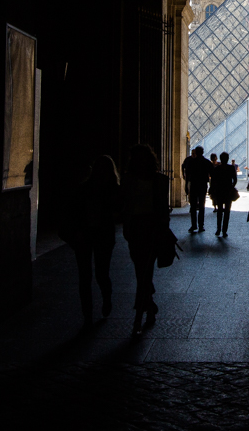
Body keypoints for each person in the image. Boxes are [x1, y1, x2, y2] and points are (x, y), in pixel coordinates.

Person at [63, 155, 120, 326]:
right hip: (100, 235)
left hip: (86, 235)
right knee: (99, 274)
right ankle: (102, 300)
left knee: (86, 276)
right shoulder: (112, 190)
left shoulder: (85, 189)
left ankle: (88, 313)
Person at [120, 143, 171, 335]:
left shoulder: (135, 180)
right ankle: (148, 304)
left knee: (143, 271)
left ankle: (139, 316)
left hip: (149, 228)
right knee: (142, 270)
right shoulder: (154, 180)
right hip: (138, 228)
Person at [181, 146, 212, 233]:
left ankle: (194, 225)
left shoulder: (191, 162)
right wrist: (211, 187)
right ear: (202, 152)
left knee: (193, 206)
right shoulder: (206, 162)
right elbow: (212, 175)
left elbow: (187, 175)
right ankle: (201, 225)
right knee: (202, 206)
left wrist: (186, 186)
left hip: (194, 185)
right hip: (202, 185)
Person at [209, 150, 238, 236]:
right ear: (228, 159)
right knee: (227, 212)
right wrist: (232, 187)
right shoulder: (231, 168)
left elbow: (213, 180)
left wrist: (213, 189)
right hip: (228, 191)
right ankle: (224, 230)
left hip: (219, 191)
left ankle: (218, 229)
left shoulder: (217, 168)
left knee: (219, 211)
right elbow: (235, 180)